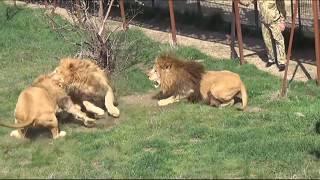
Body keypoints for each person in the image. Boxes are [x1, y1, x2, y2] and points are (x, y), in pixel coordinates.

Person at [239, 0, 287, 71]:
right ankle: (271, 59)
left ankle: (282, 62)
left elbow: (282, 8)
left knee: (279, 40)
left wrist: (282, 21)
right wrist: (239, 1)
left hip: (275, 21)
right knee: (267, 41)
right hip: (264, 21)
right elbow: (248, 3)